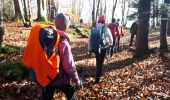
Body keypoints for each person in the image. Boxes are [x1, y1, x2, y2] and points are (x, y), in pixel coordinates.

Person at [88, 15, 113, 84]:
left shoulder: (94, 28)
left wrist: (89, 49)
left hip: (95, 48)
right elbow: (110, 37)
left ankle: (97, 75)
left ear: (98, 21)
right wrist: (111, 43)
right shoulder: (105, 28)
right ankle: (97, 79)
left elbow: (89, 39)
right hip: (103, 48)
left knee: (98, 61)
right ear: (104, 21)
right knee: (100, 63)